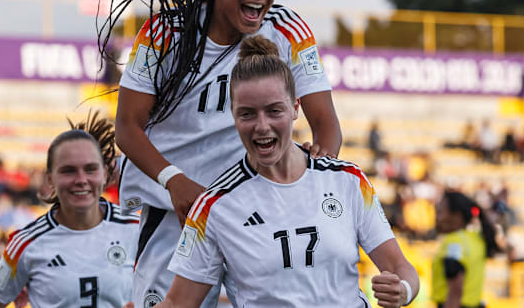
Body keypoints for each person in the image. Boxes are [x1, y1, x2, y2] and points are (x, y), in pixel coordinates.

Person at [106, 0, 342, 307]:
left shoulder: (288, 30)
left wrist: (317, 174)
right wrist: (175, 182)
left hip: (256, 211)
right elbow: (127, 129)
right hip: (175, 214)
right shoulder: (164, 33)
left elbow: (327, 126)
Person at [156, 36, 418, 308]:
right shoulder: (212, 206)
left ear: (295, 108)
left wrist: (404, 290)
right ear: (232, 115)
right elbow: (178, 303)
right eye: (247, 114)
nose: (262, 126)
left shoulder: (348, 180)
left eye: (274, 111)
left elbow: (400, 267)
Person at [0, 112, 139, 308]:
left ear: (104, 174)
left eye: (90, 169)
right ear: (50, 179)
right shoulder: (26, 243)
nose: (81, 179)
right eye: (68, 170)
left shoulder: (135, 228)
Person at [432, 191, 502, 308]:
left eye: (440, 211)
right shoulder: (476, 238)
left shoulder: (454, 241)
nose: (437, 217)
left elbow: (455, 289)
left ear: (456, 216)